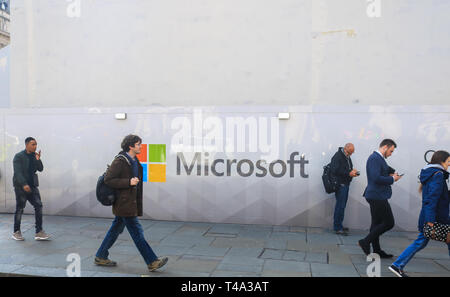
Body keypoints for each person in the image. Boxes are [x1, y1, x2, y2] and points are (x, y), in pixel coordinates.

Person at [95, 134, 168, 272]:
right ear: (130, 146)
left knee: (115, 230)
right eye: (138, 144)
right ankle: (152, 261)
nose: (141, 146)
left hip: (130, 203)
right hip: (124, 204)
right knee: (137, 232)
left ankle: (100, 255)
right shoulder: (120, 161)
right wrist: (128, 182)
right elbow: (108, 180)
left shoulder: (135, 161)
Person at [389, 150, 450, 277]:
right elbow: (432, 199)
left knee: (421, 242)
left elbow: (437, 196)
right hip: (435, 217)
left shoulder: (431, 173)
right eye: (448, 161)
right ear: (441, 161)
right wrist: (430, 222)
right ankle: (397, 265)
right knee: (420, 241)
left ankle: (397, 265)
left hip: (434, 216)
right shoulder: (438, 174)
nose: (449, 164)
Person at [358, 139, 402, 258]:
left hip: (377, 195)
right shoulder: (374, 158)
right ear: (385, 147)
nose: (391, 154)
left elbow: (384, 170)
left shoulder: (379, 158)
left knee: (376, 224)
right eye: (391, 151)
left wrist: (392, 173)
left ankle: (377, 250)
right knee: (389, 222)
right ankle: (365, 241)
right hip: (376, 195)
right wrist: (393, 179)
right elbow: (376, 178)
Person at [12, 137, 51, 241]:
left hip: (32, 186)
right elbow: (17, 173)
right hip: (20, 187)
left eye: (36, 144)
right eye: (33, 144)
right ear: (27, 145)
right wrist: (24, 184)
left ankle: (39, 232)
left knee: (38, 205)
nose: (35, 146)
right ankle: (16, 232)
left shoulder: (35, 156)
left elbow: (41, 169)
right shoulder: (18, 156)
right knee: (20, 208)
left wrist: (38, 159)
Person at [330, 143, 359, 235]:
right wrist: (348, 173)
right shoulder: (338, 156)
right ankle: (337, 227)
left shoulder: (346, 156)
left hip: (345, 184)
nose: (350, 155)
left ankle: (339, 225)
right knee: (340, 206)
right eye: (350, 153)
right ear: (345, 149)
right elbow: (334, 170)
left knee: (342, 206)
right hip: (341, 184)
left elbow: (346, 168)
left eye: (352, 153)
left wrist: (352, 171)